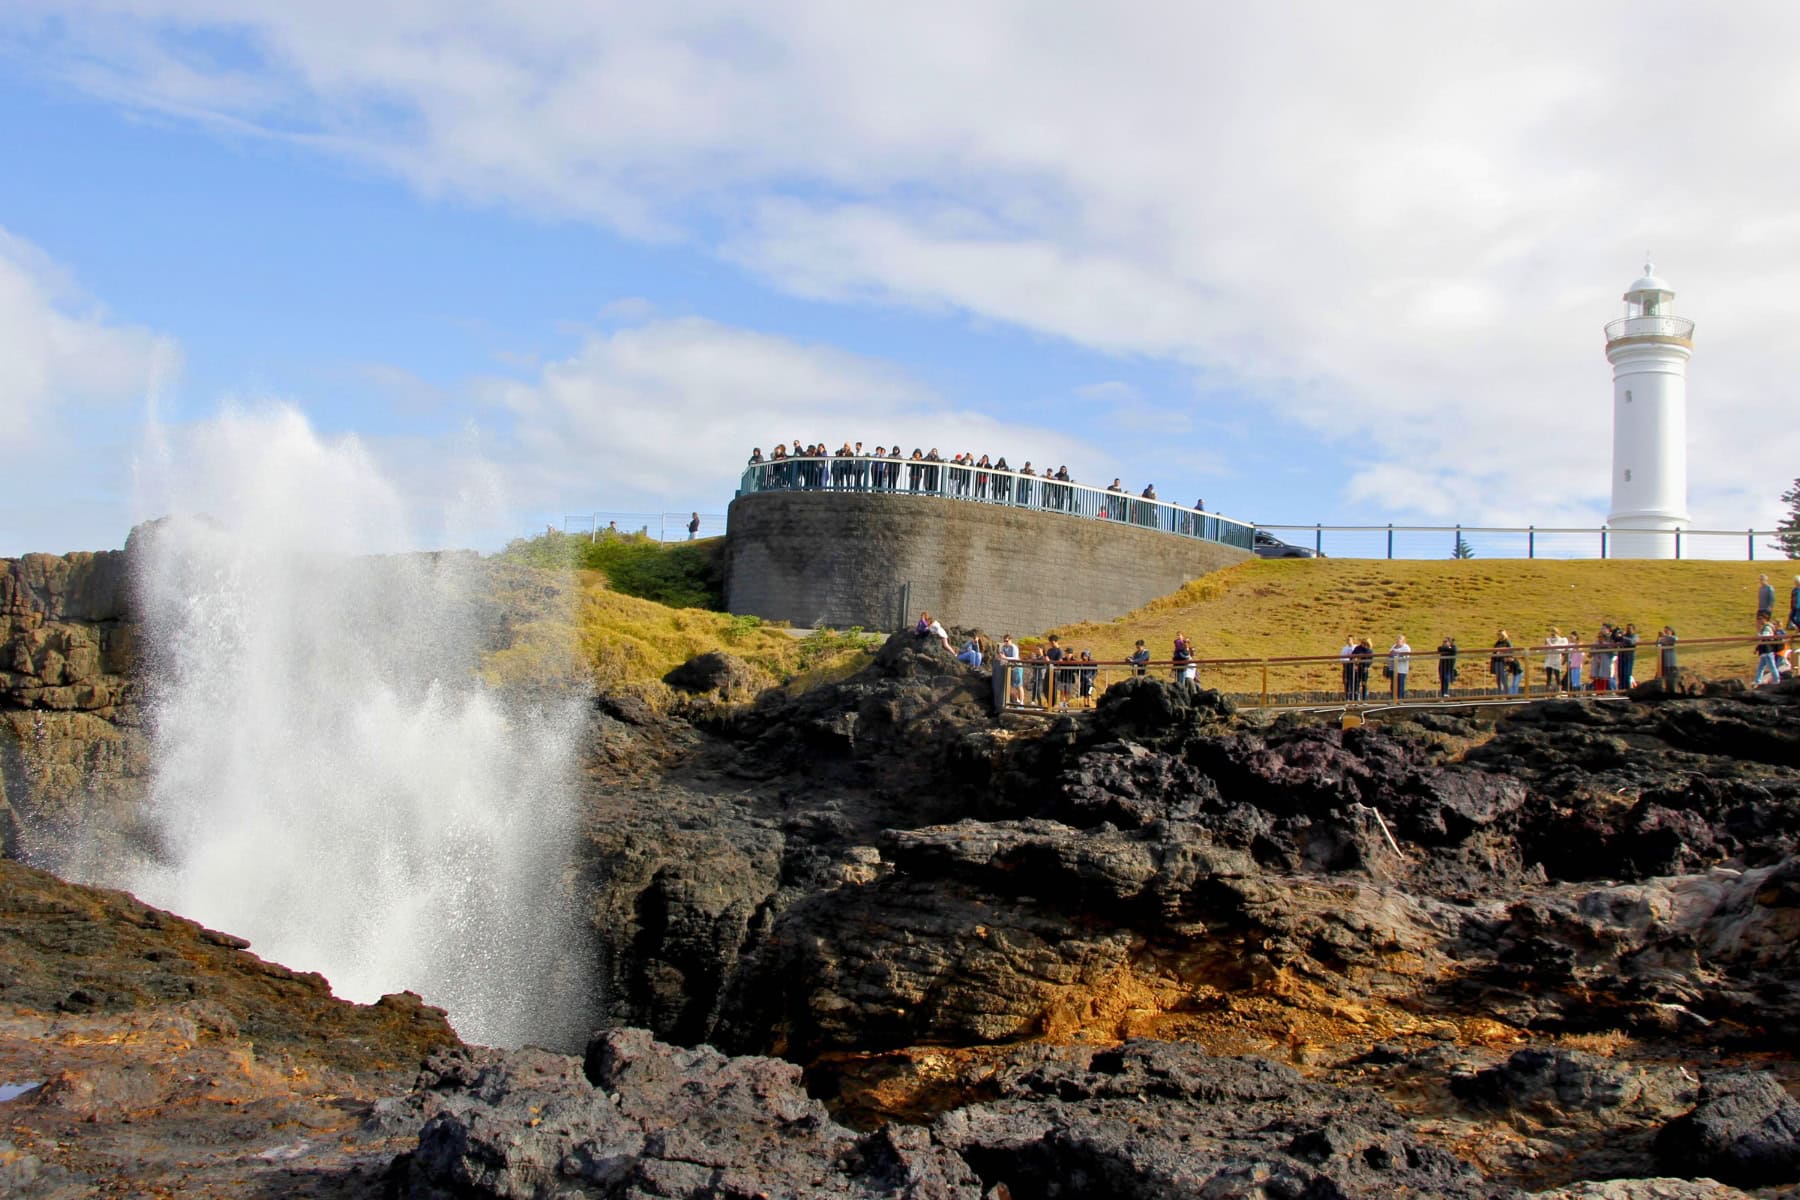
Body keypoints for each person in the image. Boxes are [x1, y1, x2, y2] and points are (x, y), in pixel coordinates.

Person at [1755, 617, 1783, 685]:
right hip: (1765, 651)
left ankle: (1776, 680)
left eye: (1760, 619)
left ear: (1764, 619)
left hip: (1767, 650)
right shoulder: (1766, 627)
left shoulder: (1767, 627)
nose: (1758, 621)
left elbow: (1765, 637)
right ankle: (1757, 681)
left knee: (1771, 666)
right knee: (1761, 667)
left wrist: (1758, 634)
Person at [1000, 634, 1023, 704]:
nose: (1005, 642)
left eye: (1007, 641)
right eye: (1004, 641)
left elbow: (1015, 658)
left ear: (1010, 640)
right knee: (1009, 686)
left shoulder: (1014, 647)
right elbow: (1002, 657)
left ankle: (1021, 702)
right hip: (1009, 668)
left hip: (1016, 667)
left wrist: (1005, 658)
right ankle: (1016, 700)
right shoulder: (1003, 647)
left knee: (1019, 685)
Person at [1543, 627, 1568, 692]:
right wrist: (1547, 643)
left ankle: (1559, 691)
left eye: (1554, 633)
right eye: (1552, 633)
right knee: (1549, 677)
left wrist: (1551, 644)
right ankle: (1547, 692)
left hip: (1556, 660)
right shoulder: (1549, 640)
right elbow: (1545, 648)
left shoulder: (1562, 640)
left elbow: (1562, 647)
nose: (1553, 634)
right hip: (1549, 659)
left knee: (1557, 676)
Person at [1492, 630, 1516, 696]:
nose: (1499, 636)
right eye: (1498, 635)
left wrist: (1503, 653)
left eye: (1500, 635)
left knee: (1504, 679)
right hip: (1497, 661)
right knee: (1498, 679)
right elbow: (1494, 651)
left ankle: (1507, 694)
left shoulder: (1507, 642)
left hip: (1504, 662)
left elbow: (1511, 651)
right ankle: (1500, 694)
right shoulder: (1497, 643)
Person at [1616, 623, 1640, 690]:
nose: (1627, 630)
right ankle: (1620, 690)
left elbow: (1632, 642)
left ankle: (1627, 690)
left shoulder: (1635, 636)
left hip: (1629, 656)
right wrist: (1616, 632)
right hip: (1621, 655)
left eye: (1629, 629)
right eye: (1627, 629)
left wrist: (1623, 637)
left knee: (1627, 674)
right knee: (1620, 674)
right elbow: (1616, 639)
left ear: (1633, 630)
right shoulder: (1624, 636)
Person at [1387, 634, 1411, 700]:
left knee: (1400, 684)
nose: (1397, 640)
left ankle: (1400, 699)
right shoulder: (1393, 646)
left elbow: (1406, 657)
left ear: (1403, 641)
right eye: (1397, 639)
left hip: (1401, 669)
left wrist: (1397, 655)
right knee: (1393, 684)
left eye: (1399, 639)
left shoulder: (1406, 647)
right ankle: (1393, 698)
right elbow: (1389, 654)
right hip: (1393, 668)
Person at [1045, 635, 1067, 707]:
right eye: (1050, 642)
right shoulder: (1049, 650)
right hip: (1048, 670)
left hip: (1055, 672)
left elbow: (1059, 662)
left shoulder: (1059, 651)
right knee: (1046, 688)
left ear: (1056, 641)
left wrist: (1050, 661)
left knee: (1053, 688)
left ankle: (1052, 705)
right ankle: (1048, 703)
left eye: (1052, 642)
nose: (1051, 644)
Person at [1656, 625, 1679, 691]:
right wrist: (1658, 637)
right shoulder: (1662, 638)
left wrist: (1665, 636)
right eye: (1664, 631)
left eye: (1667, 631)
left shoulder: (1673, 637)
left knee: (1671, 674)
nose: (1665, 632)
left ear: (1671, 631)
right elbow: (1657, 644)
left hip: (1671, 660)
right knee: (1664, 674)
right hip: (1663, 659)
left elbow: (1674, 639)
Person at [1340, 634, 1358, 700]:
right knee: (1346, 681)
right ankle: (1347, 697)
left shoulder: (1356, 647)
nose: (1348, 641)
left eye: (1349, 640)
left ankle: (1355, 697)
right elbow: (1341, 657)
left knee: (1354, 681)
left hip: (1353, 666)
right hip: (1346, 666)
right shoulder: (1344, 648)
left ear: (1353, 640)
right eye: (1347, 640)